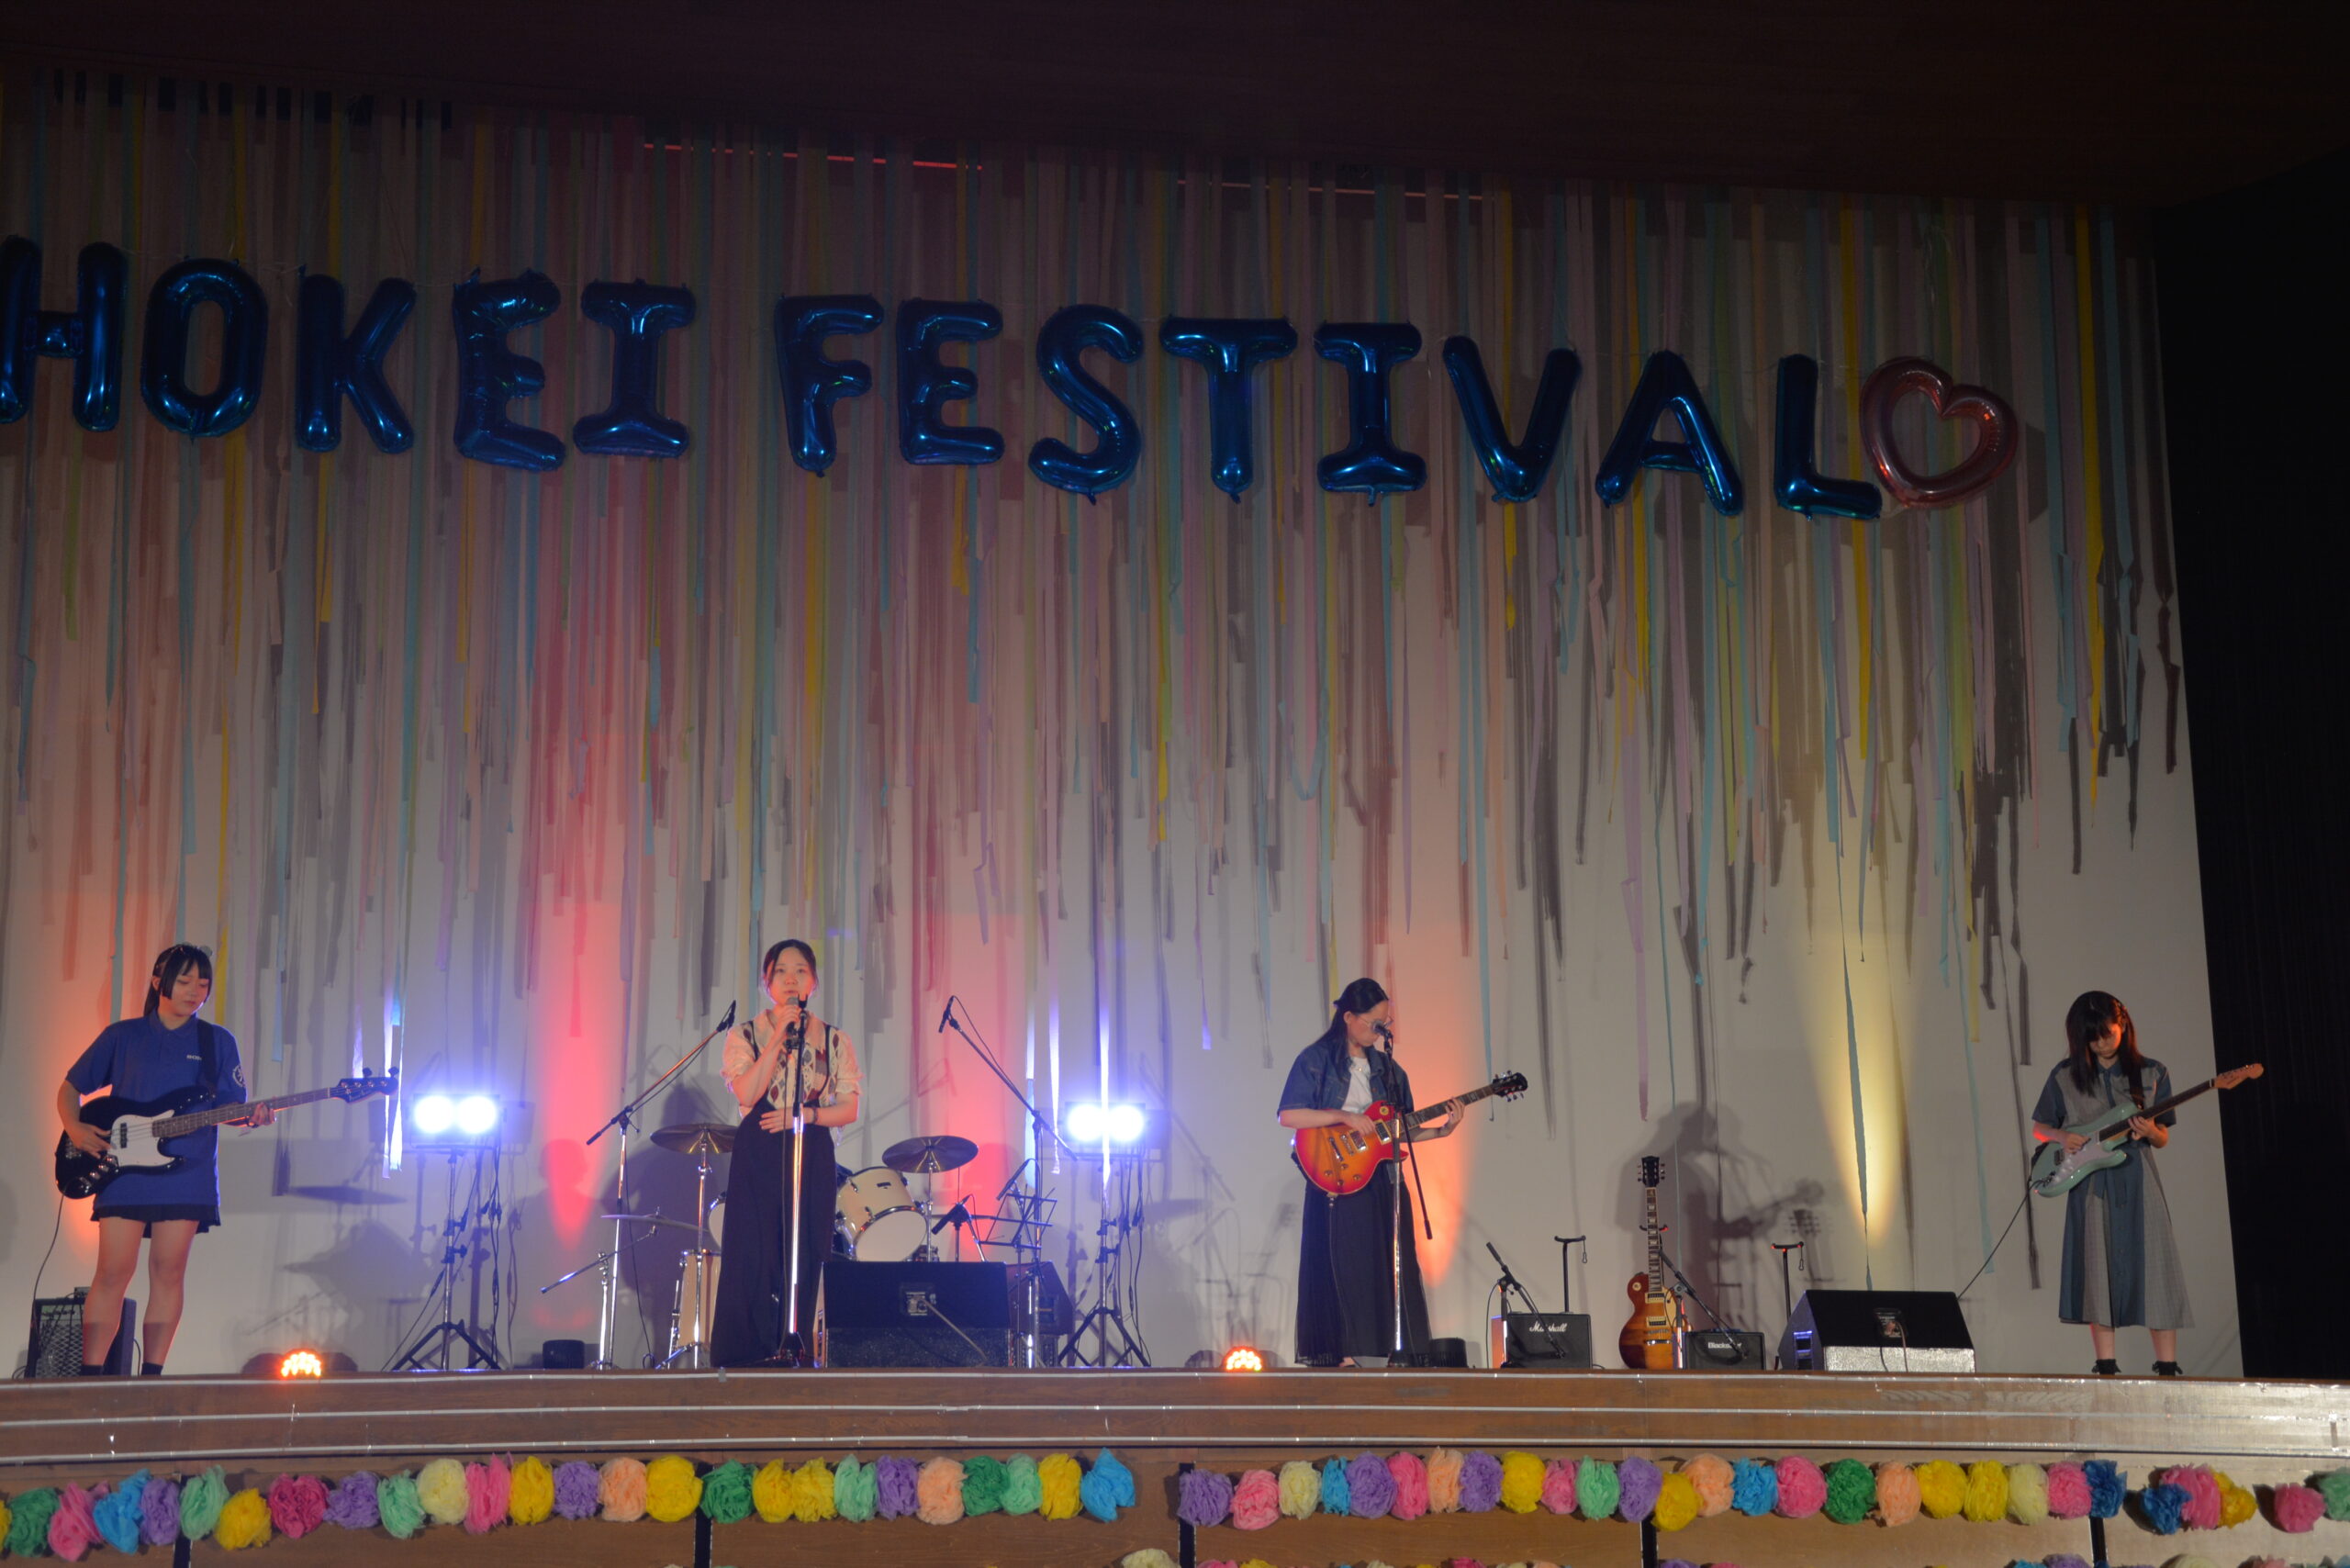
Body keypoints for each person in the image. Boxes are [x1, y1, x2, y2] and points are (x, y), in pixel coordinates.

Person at [55, 943, 274, 1375]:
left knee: (169, 1272)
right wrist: (77, 1130)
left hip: (187, 1171)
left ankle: (151, 1377)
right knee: (112, 1272)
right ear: (159, 982)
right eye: (185, 980)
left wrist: (251, 1117)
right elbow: (69, 1088)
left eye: (203, 984)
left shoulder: (217, 1041)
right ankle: (89, 1378)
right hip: (123, 1170)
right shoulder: (123, 1036)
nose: (195, 991)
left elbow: (231, 1109)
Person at [1277, 979, 1460, 1367]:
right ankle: (1341, 1353)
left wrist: (1441, 1131)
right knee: (1344, 1263)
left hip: (1381, 1177)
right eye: (1374, 1023)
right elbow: (1289, 1115)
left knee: (1390, 1262)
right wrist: (1342, 1116)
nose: (1380, 1031)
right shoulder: (1316, 1060)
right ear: (1348, 1017)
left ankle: (1395, 1351)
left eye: (1385, 1023)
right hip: (1335, 1176)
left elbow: (1398, 1130)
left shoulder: (1389, 1071)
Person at [710, 939, 861, 1367]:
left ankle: (797, 1347)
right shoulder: (745, 1035)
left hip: (810, 1149)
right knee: (753, 1252)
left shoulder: (833, 1039)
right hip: (759, 1149)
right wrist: (778, 1037)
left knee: (807, 1247)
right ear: (767, 982)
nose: (791, 979)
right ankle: (746, 1355)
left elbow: (849, 1107)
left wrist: (806, 1116)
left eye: (800, 971)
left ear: (813, 982)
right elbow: (747, 1092)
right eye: (781, 971)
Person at [2030, 990, 2190, 1375]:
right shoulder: (2064, 1075)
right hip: (2091, 1183)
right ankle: (2105, 1364)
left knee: (2156, 1266)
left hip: (2139, 1179)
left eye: (2108, 1033)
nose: (2101, 1043)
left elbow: (2163, 1138)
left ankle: (2167, 1367)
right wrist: (2061, 1137)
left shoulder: (2152, 1073)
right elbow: (2039, 1127)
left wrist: (2151, 1131)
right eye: (2092, 1038)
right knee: (2096, 1267)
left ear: (2123, 1025)